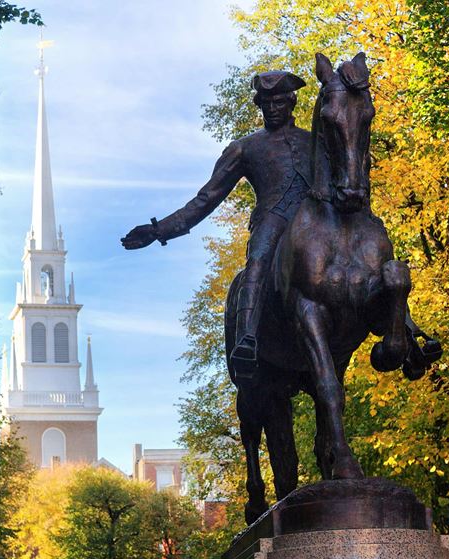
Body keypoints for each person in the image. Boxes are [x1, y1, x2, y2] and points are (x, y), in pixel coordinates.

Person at [121, 71, 310, 377]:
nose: (273, 108)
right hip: (274, 219)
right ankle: (248, 337)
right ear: (259, 106)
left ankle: (403, 326)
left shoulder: (315, 142)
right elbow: (206, 198)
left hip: (315, 220)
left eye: (279, 101)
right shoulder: (245, 148)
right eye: (266, 103)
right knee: (258, 262)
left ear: (292, 101)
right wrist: (158, 231)